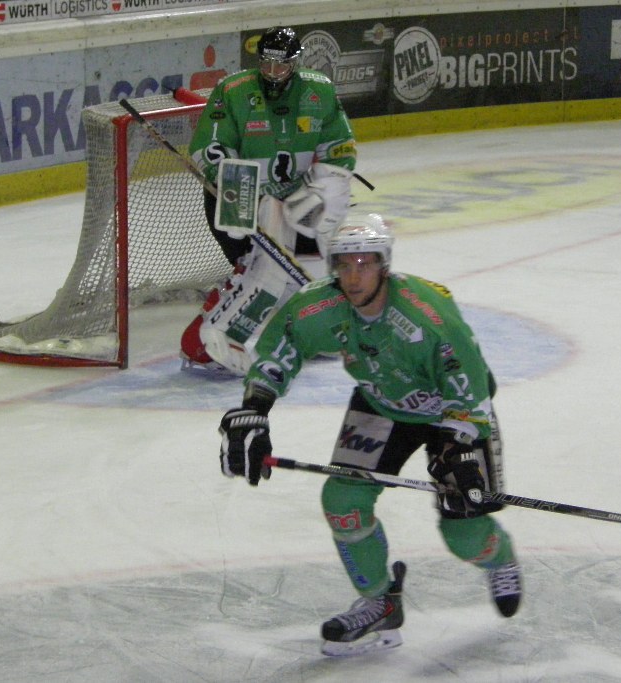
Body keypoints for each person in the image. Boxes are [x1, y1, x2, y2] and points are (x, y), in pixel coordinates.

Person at [218, 214, 522, 656]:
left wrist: (458, 445)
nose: (354, 276)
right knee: (342, 501)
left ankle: (500, 558)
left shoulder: (428, 316)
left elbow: (471, 385)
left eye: (364, 263)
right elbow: (284, 347)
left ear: (384, 265)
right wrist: (255, 408)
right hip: (381, 403)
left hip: (453, 413)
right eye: (344, 264)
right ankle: (381, 600)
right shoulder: (320, 305)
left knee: (464, 533)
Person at [181, 26, 358, 372]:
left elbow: (340, 147)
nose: (273, 73)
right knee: (260, 272)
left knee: (306, 272)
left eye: (282, 65)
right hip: (239, 196)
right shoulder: (233, 90)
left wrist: (320, 189)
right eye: (266, 64)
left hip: (295, 200)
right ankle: (210, 338)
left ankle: (310, 330)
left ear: (296, 63)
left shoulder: (319, 91)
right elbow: (209, 146)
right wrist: (240, 189)